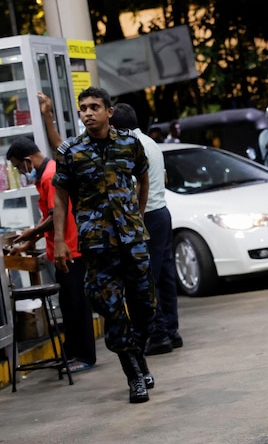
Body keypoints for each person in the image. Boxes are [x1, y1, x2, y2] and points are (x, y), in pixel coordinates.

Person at [52, 86, 156, 404]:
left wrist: (136, 217)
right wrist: (59, 239)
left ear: (109, 111)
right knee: (112, 311)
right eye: (83, 107)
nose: (88, 112)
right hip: (97, 246)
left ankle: (138, 354)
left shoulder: (129, 143)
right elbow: (60, 196)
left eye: (95, 106)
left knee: (146, 308)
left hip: (132, 240)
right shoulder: (70, 151)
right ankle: (134, 376)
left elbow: (143, 179)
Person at [6, 137, 97, 373]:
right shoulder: (47, 175)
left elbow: (56, 215)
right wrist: (28, 243)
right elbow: (48, 216)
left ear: (27, 160)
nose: (20, 171)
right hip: (60, 251)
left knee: (77, 305)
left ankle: (85, 356)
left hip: (69, 250)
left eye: (18, 167)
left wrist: (31, 232)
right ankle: (73, 352)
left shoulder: (50, 176)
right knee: (68, 306)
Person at [110, 103, 182, 355]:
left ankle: (159, 334)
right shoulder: (150, 142)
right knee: (164, 277)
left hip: (147, 215)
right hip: (161, 212)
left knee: (146, 279)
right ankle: (171, 332)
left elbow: (136, 187)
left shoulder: (130, 147)